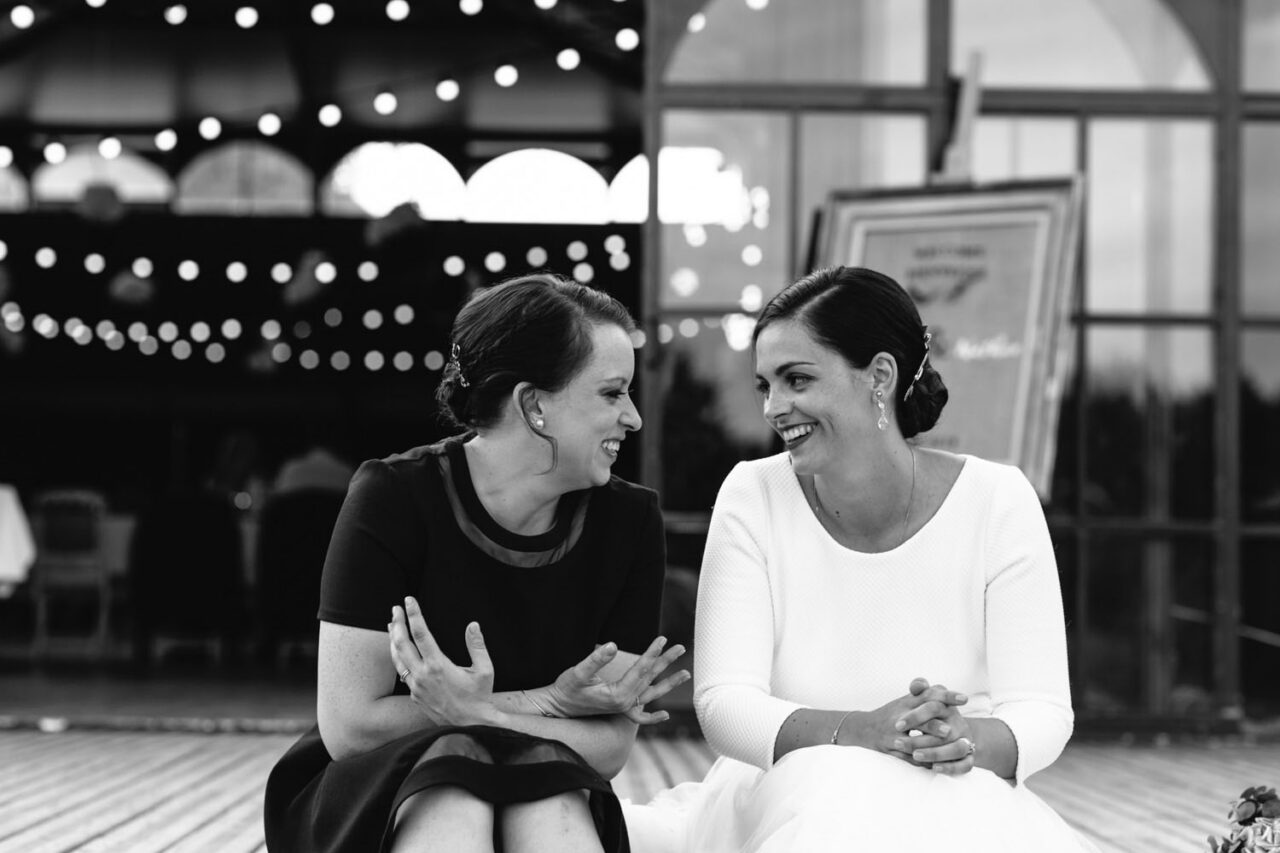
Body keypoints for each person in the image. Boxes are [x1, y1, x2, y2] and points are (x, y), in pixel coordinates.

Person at [623, 266, 1097, 852]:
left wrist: (959, 737)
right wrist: (859, 733)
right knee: (840, 796)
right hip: (791, 790)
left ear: (879, 375)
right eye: (764, 386)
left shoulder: (998, 500)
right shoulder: (753, 495)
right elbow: (724, 705)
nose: (774, 407)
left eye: (796, 379)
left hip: (950, 790)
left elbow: (1043, 708)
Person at [265, 273, 689, 853]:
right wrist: (544, 704)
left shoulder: (630, 523)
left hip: (550, 778)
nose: (634, 418)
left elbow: (608, 748)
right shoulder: (393, 495)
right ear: (533, 404)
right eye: (612, 393)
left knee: (547, 783)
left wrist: (473, 710)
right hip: (381, 787)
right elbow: (350, 726)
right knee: (456, 786)